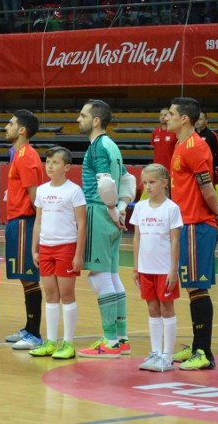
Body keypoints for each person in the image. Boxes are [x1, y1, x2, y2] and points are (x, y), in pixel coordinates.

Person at [165, 98, 218, 370]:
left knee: (197, 286)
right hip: (185, 224)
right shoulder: (179, 144)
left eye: (172, 114)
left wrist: (217, 214)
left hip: (197, 224)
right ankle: (196, 343)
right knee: (191, 287)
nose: (166, 117)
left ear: (185, 119)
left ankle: (204, 352)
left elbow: (207, 188)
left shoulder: (196, 147)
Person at [76, 100, 134, 358]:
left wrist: (111, 208)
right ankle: (121, 338)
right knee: (112, 276)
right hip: (110, 211)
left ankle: (109, 340)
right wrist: (121, 207)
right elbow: (127, 179)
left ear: (96, 120)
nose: (79, 119)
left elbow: (106, 181)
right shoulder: (112, 144)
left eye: (83, 115)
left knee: (99, 278)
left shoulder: (98, 146)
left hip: (98, 211)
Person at [28, 147, 86, 360]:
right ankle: (51, 341)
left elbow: (82, 224)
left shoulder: (74, 191)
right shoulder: (42, 190)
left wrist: (78, 255)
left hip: (66, 247)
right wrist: (35, 248)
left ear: (67, 167)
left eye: (55, 162)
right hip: (46, 248)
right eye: (48, 161)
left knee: (67, 295)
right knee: (51, 294)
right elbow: (38, 221)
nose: (50, 165)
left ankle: (68, 343)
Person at [1, 111, 46, 350]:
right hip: (16, 222)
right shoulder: (18, 154)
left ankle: (35, 334)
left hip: (24, 223)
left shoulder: (26, 156)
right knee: (23, 278)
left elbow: (35, 197)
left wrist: (37, 233)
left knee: (29, 278)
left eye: (10, 124)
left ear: (22, 130)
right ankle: (29, 328)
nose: (5, 127)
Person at [131, 163, 182, 372]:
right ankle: (155, 352)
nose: (148, 187)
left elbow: (175, 241)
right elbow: (136, 238)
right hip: (146, 268)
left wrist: (173, 270)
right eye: (145, 183)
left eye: (152, 182)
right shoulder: (140, 208)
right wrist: (136, 268)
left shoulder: (172, 208)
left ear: (164, 182)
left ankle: (167, 356)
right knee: (152, 308)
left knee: (166, 308)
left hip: (164, 269)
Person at [152, 107, 177, 171]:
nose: (162, 117)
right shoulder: (155, 132)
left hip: (170, 168)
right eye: (161, 115)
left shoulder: (175, 132)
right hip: (157, 168)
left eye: (165, 115)